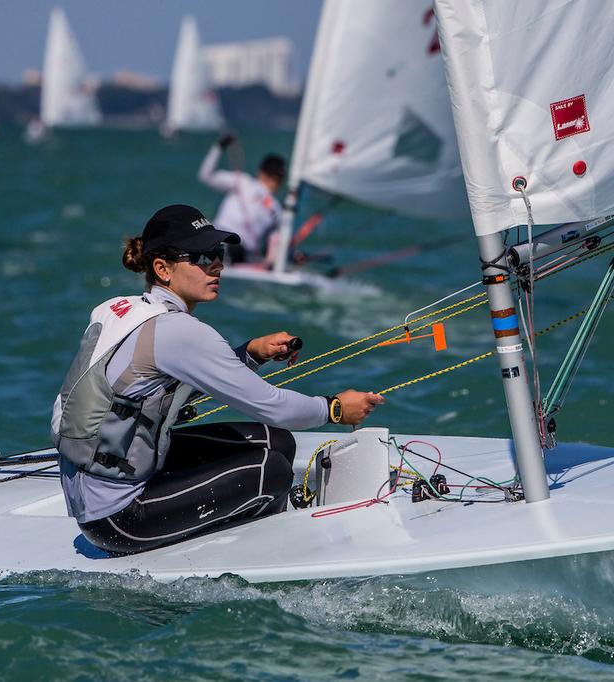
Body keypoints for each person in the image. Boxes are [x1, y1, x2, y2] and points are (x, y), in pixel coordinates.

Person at [50, 204, 384, 554]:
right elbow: (272, 406)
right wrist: (334, 409)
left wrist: (252, 354)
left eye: (218, 253)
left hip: (99, 485)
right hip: (117, 519)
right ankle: (264, 555)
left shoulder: (121, 309)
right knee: (269, 471)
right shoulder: (178, 332)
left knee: (278, 443)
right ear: (163, 269)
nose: (218, 265)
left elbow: (159, 391)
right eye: (202, 256)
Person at [197, 134, 286, 265]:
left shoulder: (244, 182)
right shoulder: (277, 209)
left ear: (260, 172)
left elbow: (205, 175)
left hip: (224, 246)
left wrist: (218, 147)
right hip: (232, 250)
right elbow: (275, 244)